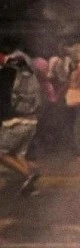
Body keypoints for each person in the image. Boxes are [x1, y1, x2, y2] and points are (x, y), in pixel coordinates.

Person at [0, 49, 42, 195]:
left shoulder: (9, 74)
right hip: (31, 120)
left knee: (1, 153)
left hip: (16, 121)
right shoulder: (29, 74)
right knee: (17, 154)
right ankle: (31, 184)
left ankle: (28, 174)